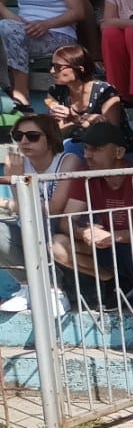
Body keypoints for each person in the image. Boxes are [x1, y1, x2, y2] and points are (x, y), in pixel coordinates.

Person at [52, 119, 133, 311]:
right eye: (86, 148)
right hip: (106, 246)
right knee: (56, 244)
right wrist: (82, 232)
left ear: (119, 152)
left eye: (96, 149)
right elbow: (66, 221)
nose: (87, 155)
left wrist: (115, 236)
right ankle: (112, 281)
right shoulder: (85, 174)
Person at [0, 113, 82, 313]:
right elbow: (24, 209)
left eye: (32, 136)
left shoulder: (68, 161)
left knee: (38, 218)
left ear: (50, 138)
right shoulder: (18, 164)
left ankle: (55, 290)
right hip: (31, 228)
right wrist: (15, 180)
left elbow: (54, 209)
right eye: (18, 136)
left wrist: (7, 200)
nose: (24, 141)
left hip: (59, 231)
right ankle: (28, 286)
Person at [44, 42, 133, 158]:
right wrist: (80, 121)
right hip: (75, 149)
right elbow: (56, 135)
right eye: (51, 65)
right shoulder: (55, 92)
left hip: (115, 154)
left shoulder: (105, 91)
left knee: (70, 148)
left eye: (58, 67)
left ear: (79, 69)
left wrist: (76, 121)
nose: (52, 71)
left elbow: (111, 133)